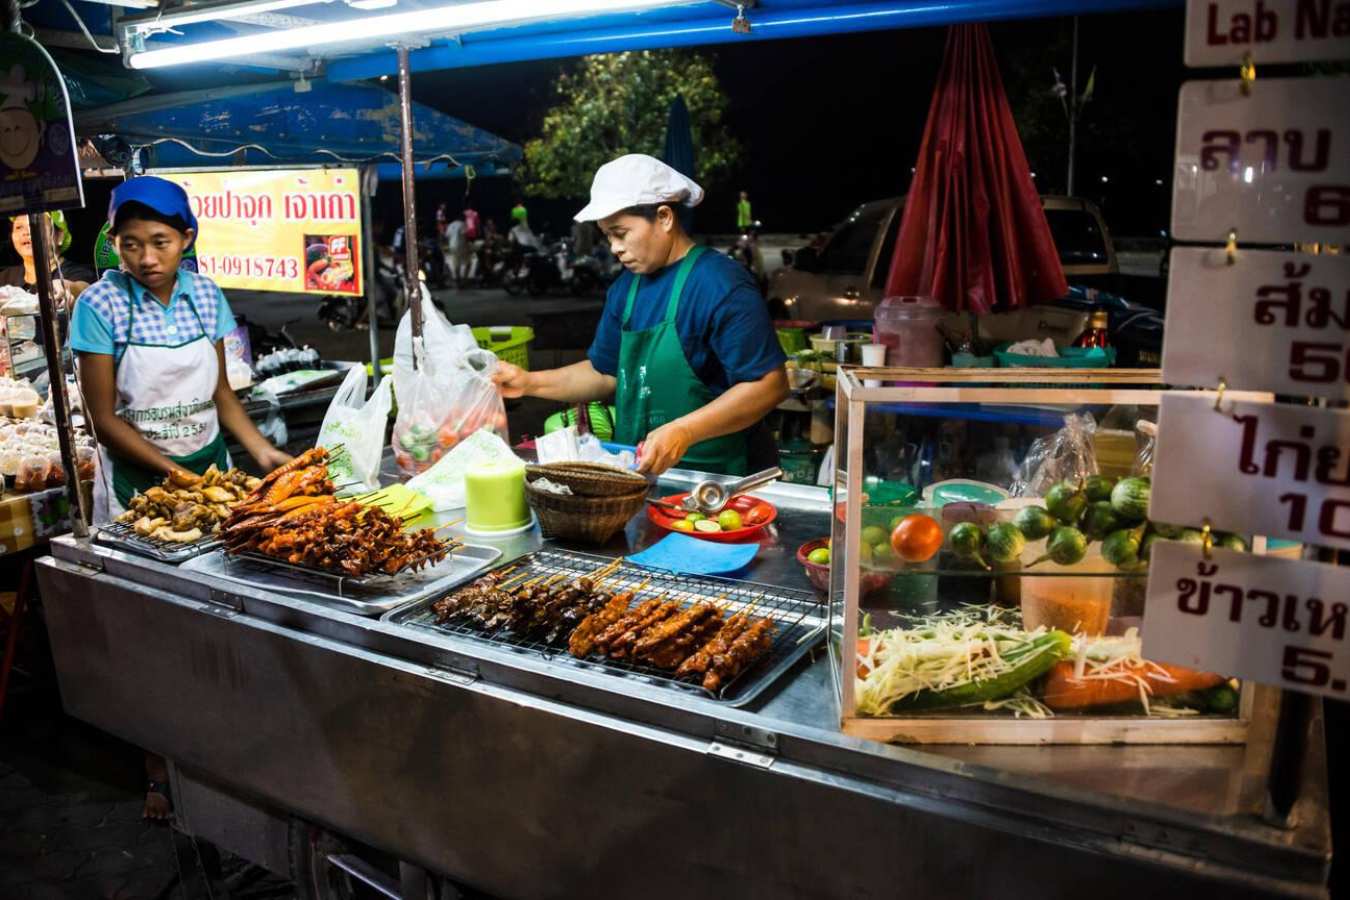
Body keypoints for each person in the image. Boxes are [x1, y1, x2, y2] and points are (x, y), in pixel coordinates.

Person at [494, 154, 788, 476]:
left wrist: (685, 431)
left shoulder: (720, 284)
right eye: (608, 236)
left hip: (716, 481)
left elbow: (768, 385)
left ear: (664, 217)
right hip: (639, 473)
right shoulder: (625, 289)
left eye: (621, 233)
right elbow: (605, 373)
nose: (615, 248)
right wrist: (528, 382)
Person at [3, 211, 92, 307]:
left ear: (60, 236)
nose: (26, 232)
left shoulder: (79, 273)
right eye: (19, 227)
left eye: (36, 225)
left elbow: (82, 288)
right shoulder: (4, 277)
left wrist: (63, 286)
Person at [445, 209, 471, 286]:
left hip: (452, 246)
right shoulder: (462, 224)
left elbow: (447, 236)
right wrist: (468, 245)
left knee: (457, 263)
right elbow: (465, 235)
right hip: (461, 245)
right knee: (468, 263)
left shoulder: (450, 225)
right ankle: (464, 280)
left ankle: (458, 280)